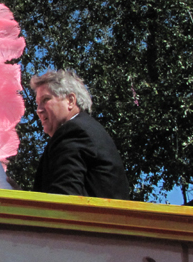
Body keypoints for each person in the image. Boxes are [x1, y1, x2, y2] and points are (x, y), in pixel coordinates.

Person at [30, 70, 130, 200]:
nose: (39, 110)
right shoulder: (85, 129)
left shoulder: (73, 131)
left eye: (46, 99)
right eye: (38, 103)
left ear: (70, 101)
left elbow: (64, 198)